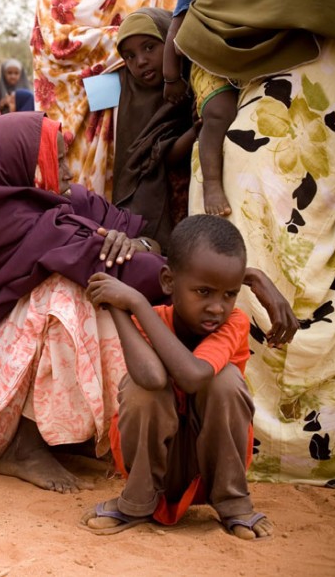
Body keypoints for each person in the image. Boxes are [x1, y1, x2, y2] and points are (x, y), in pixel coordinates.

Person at [0, 112, 298, 493]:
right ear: (22, 165)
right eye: (57, 160)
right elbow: (127, 270)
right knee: (70, 291)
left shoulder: (59, 202)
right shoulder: (14, 220)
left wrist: (137, 245)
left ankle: (73, 436)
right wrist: (244, 276)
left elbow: (143, 238)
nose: (68, 171)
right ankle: (26, 447)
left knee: (102, 287)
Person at [175, 0, 335, 487]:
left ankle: (319, 435)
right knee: (238, 264)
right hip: (246, 157)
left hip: (323, 111)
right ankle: (236, 427)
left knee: (309, 266)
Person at [83, 214, 273, 539]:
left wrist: (135, 300)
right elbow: (152, 378)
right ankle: (136, 502)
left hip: (208, 468)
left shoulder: (234, 323)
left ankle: (234, 503)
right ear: (169, 282)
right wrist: (117, 307)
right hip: (156, 468)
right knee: (141, 389)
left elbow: (192, 376)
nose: (217, 307)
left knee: (224, 380)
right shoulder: (151, 320)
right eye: (204, 292)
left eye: (229, 294)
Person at [32, 0, 176, 196]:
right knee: (76, 202)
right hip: (81, 98)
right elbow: (50, 41)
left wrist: (137, 49)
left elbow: (170, 26)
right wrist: (126, 45)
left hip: (145, 98)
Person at [112, 8, 198, 250]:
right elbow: (161, 155)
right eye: (129, 56)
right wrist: (194, 133)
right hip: (160, 206)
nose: (140, 61)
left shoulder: (196, 76)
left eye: (149, 47)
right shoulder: (128, 93)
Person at [163, 0, 236, 217]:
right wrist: (171, 78)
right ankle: (213, 184)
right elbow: (175, 32)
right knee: (218, 115)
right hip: (208, 65)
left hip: (245, 62)